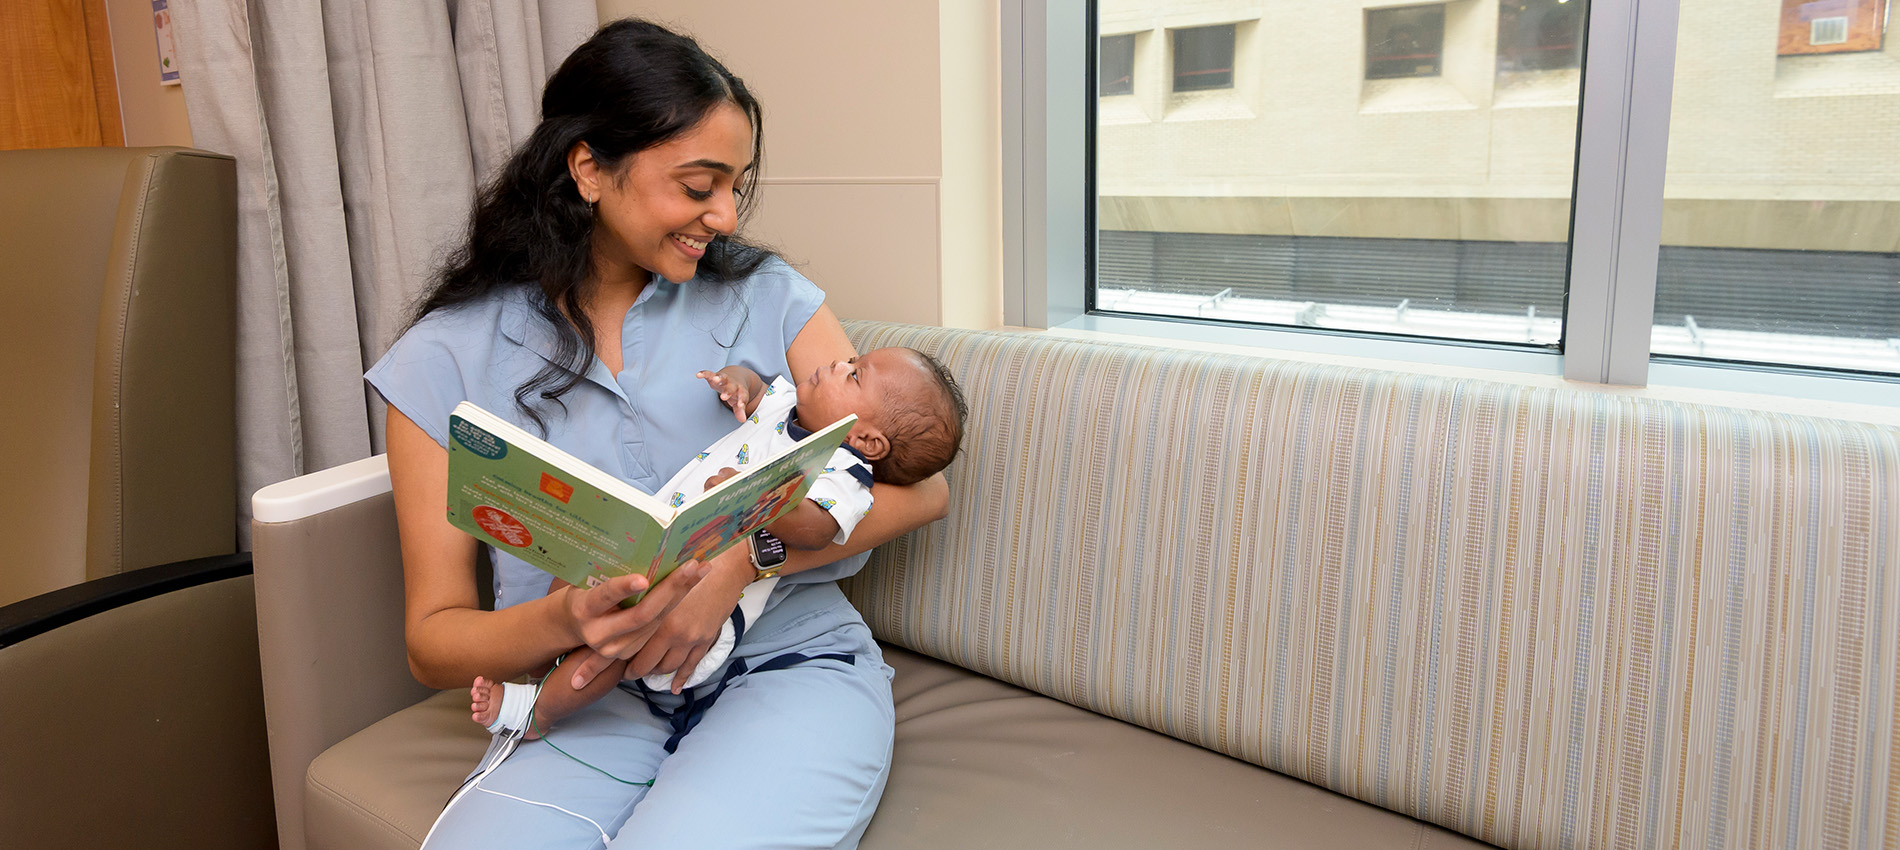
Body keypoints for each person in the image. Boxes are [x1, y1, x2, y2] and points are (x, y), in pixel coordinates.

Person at [365, 18, 950, 849]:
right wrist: (571, 619)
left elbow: (923, 487)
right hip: (590, 695)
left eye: (735, 187)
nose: (724, 215)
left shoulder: (769, 295)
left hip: (783, 663)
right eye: (698, 184)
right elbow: (434, 641)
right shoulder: (441, 362)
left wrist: (739, 563)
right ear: (590, 169)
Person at [471, 346, 967, 736]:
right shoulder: (787, 403)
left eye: (854, 375)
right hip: (664, 546)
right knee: (577, 583)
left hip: (697, 590)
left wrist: (755, 499)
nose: (839, 361)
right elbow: (756, 386)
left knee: (615, 645)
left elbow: (817, 530)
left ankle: (538, 713)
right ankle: (539, 663)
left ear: (868, 442)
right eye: (854, 359)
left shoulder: (843, 472)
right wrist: (737, 381)